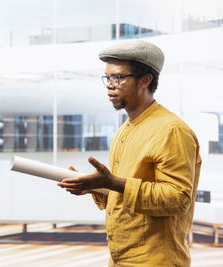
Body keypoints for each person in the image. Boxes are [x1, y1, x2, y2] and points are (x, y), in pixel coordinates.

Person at [58, 40, 201, 266]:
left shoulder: (171, 130)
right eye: (107, 78)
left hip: (155, 260)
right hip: (120, 258)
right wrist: (93, 186)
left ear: (145, 80)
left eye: (118, 77)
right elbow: (123, 189)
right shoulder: (126, 129)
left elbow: (178, 198)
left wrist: (113, 182)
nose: (109, 85)